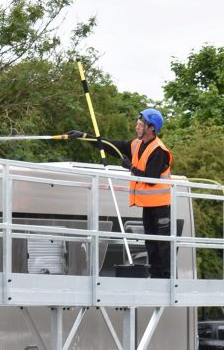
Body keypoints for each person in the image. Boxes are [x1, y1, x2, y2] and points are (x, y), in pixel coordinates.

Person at [67, 109, 173, 278]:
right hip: (148, 205)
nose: (137, 127)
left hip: (161, 206)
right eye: (137, 123)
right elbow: (110, 145)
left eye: (140, 124)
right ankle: (156, 275)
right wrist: (84, 136)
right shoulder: (137, 144)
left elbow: (151, 179)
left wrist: (130, 167)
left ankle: (166, 278)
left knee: (163, 244)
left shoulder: (158, 150)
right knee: (151, 242)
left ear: (151, 128)